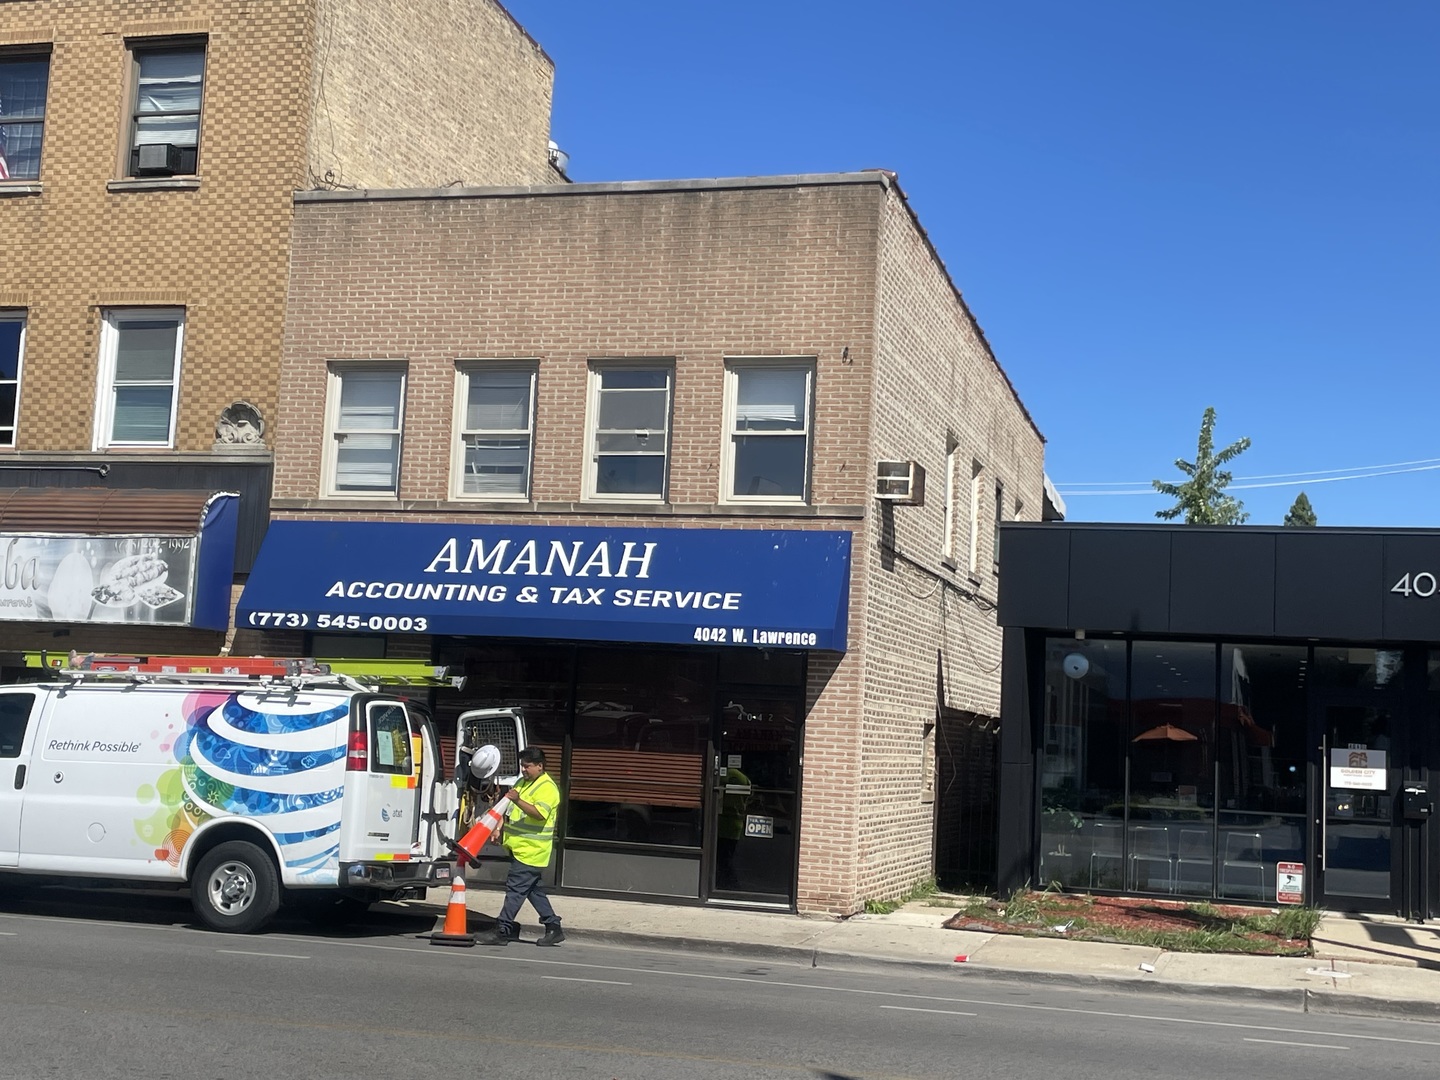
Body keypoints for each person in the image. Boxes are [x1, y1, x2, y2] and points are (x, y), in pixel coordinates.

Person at [477, 746, 564, 946]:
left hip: (531, 851)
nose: (523, 769)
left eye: (527, 766)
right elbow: (507, 808)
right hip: (518, 848)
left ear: (540, 766)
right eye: (522, 766)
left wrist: (518, 800)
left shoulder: (548, 788)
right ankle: (553, 927)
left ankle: (503, 930)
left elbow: (539, 814)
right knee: (533, 890)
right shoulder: (522, 782)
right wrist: (498, 827)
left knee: (515, 890)